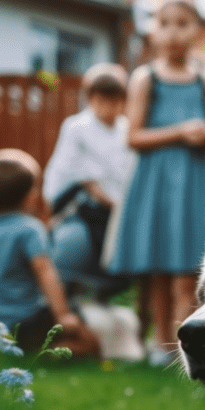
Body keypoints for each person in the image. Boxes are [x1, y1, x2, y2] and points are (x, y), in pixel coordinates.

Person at [106, 0, 205, 367]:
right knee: (159, 268)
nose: (173, 33)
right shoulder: (145, 79)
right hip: (156, 184)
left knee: (188, 268)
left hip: (194, 183)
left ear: (197, 30)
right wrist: (180, 131)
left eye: (182, 24)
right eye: (164, 24)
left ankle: (184, 345)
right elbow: (133, 135)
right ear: (153, 32)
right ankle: (160, 344)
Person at [0, 149, 100, 358]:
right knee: (91, 343)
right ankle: (41, 353)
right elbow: (45, 272)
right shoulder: (29, 228)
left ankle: (11, 351)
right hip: (25, 324)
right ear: (29, 196)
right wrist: (63, 315)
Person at [44, 63, 136, 289]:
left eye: (114, 101)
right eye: (101, 101)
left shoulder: (126, 129)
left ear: (122, 102)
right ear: (91, 100)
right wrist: (116, 207)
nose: (107, 107)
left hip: (115, 201)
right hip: (79, 201)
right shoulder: (77, 127)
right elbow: (85, 178)